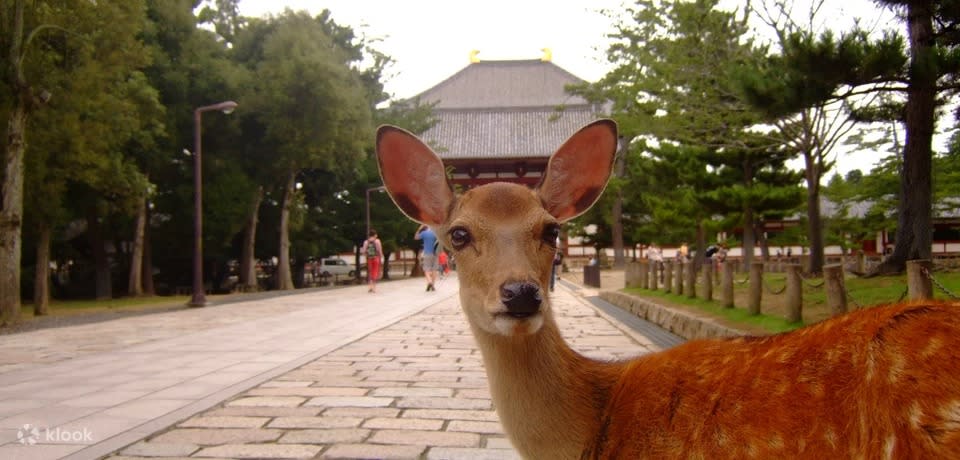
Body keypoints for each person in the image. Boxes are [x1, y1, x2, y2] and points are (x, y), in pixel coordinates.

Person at [415, 224, 439, 291]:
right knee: (434, 270)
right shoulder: (436, 233)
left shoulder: (424, 233)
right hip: (435, 254)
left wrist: (419, 229)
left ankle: (429, 282)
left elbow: (416, 237)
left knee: (426, 270)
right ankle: (433, 285)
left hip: (427, 254)